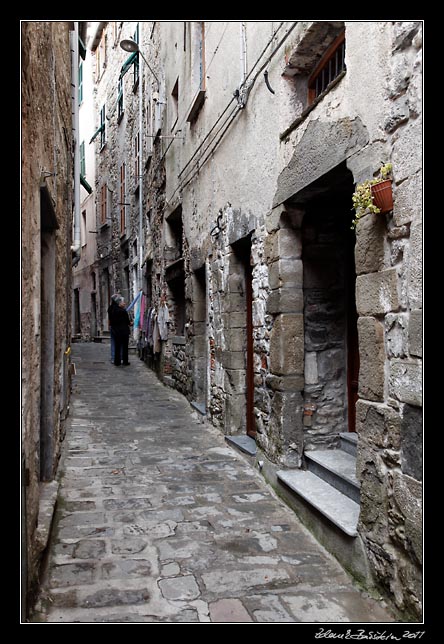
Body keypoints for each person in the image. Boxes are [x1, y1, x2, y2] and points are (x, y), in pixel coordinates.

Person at [108, 295, 131, 366]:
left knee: (117, 346)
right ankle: (125, 361)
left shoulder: (111, 309)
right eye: (123, 302)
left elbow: (110, 320)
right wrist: (131, 323)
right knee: (124, 347)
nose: (124, 303)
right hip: (124, 331)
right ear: (119, 303)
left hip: (115, 330)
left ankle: (116, 361)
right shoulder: (123, 311)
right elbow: (128, 322)